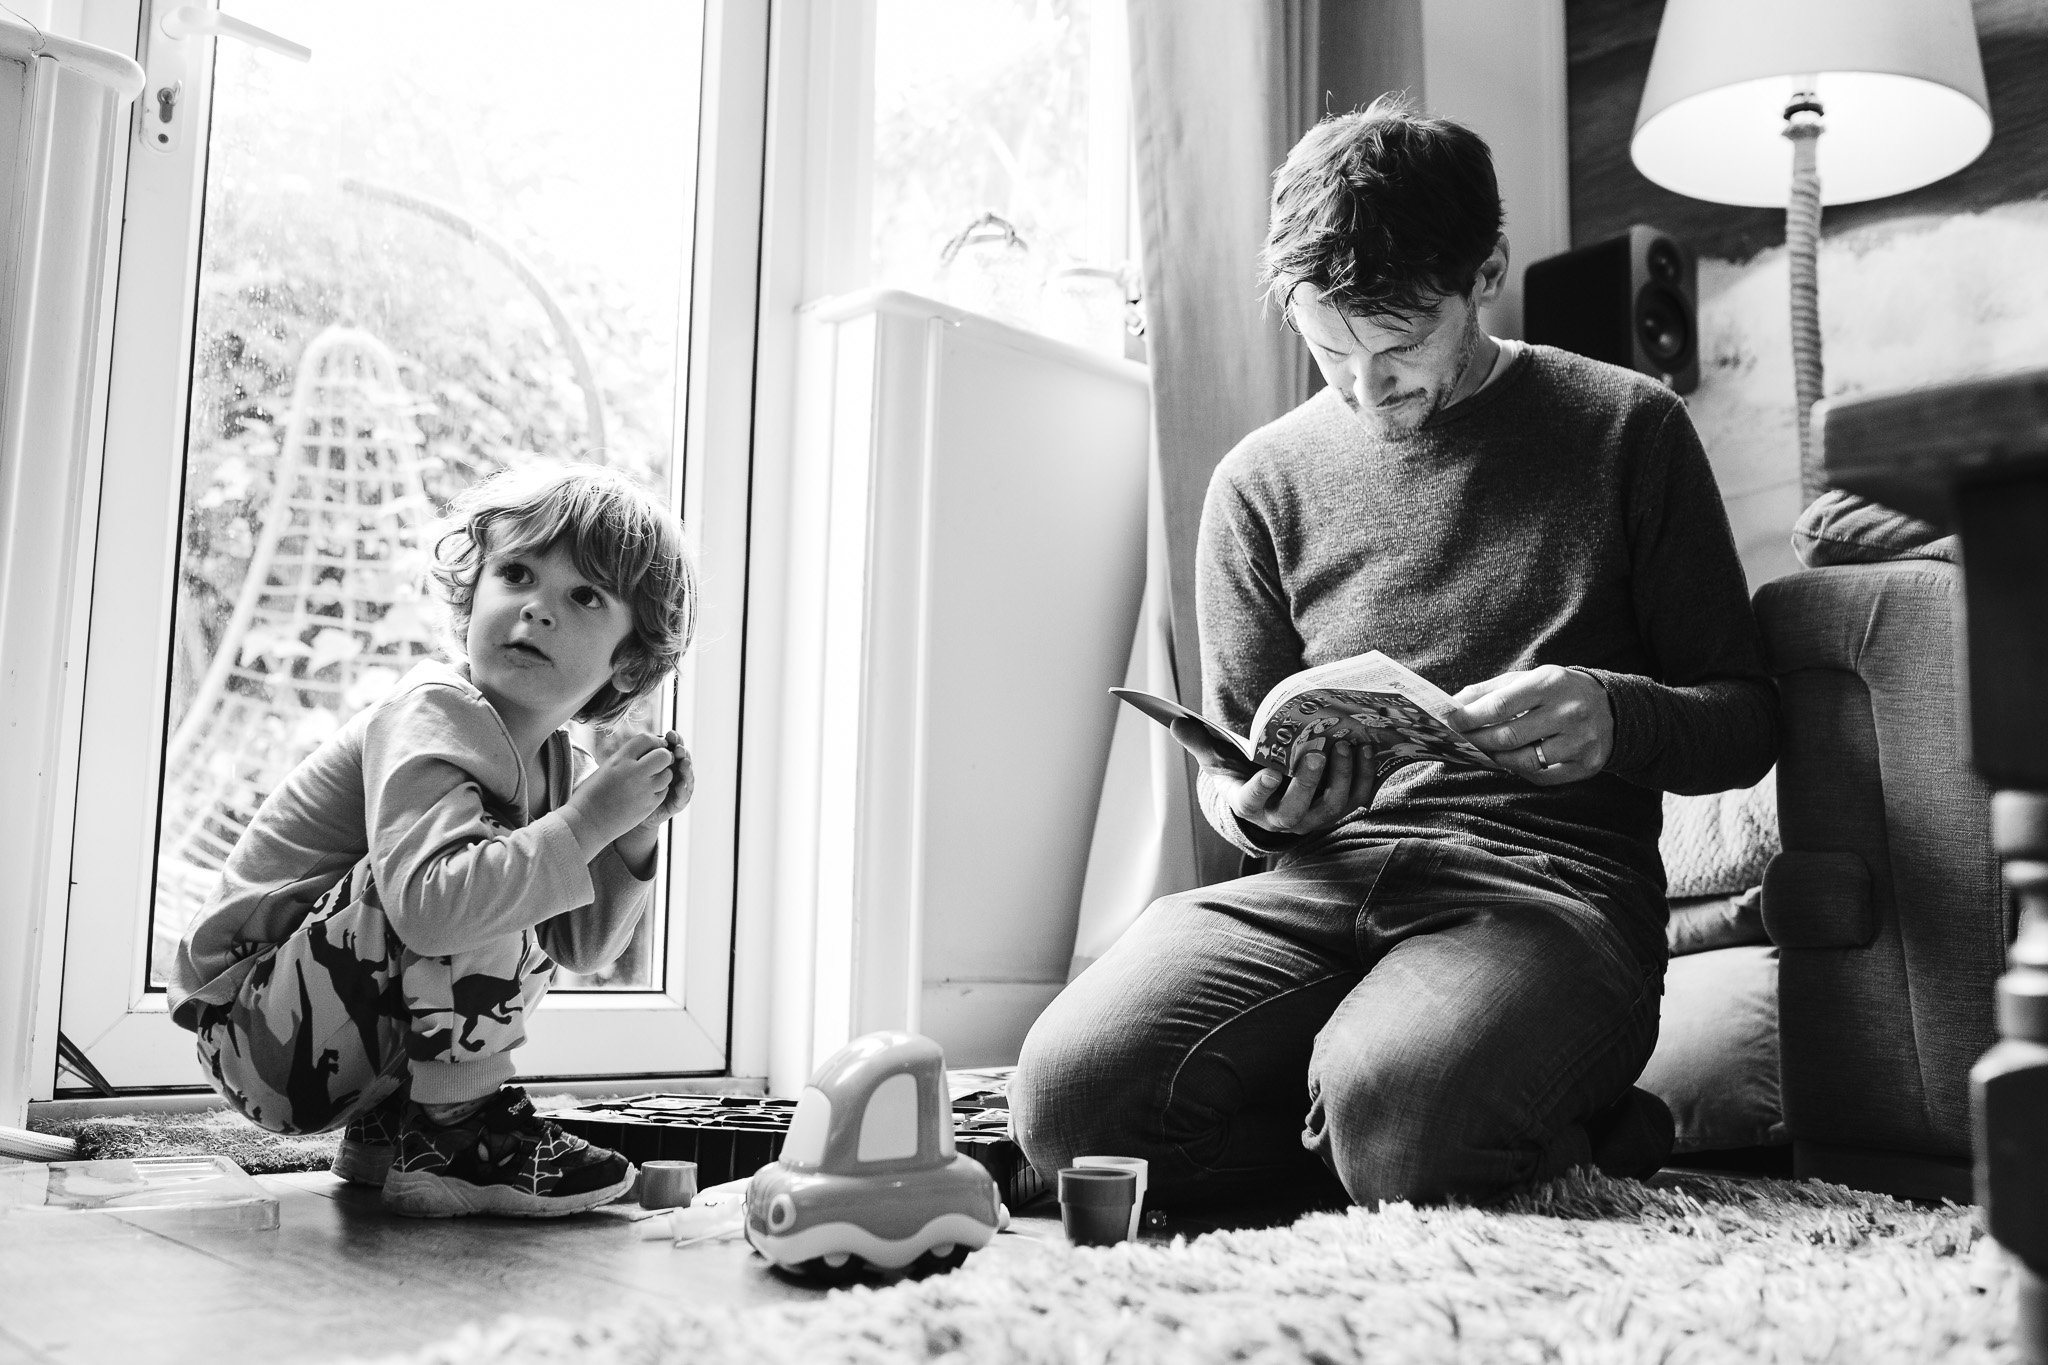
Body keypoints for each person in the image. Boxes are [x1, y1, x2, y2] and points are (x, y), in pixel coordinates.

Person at [1011, 96, 1778, 1210]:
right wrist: (1266, 809)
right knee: (1067, 1102)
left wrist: (1616, 715)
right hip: (1316, 887)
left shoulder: (1628, 429)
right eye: (1328, 352)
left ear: (1486, 274)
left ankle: (1437, 1122)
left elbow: (1746, 716)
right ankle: (1522, 1134)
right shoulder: (1256, 484)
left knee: (1396, 1112)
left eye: (1399, 345)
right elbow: (1228, 777)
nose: (1367, 390)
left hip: (1550, 894)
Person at [167, 463, 697, 1219]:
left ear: (628, 657)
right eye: (515, 573)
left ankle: (402, 1136)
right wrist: (583, 824)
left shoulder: (555, 764)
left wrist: (631, 831)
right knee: (469, 877)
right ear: (472, 592)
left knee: (522, 871)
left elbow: (581, 946)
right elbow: (428, 909)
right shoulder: (433, 710)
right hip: (256, 1028)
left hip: (328, 1036)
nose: (537, 608)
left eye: (585, 596)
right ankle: (461, 1131)